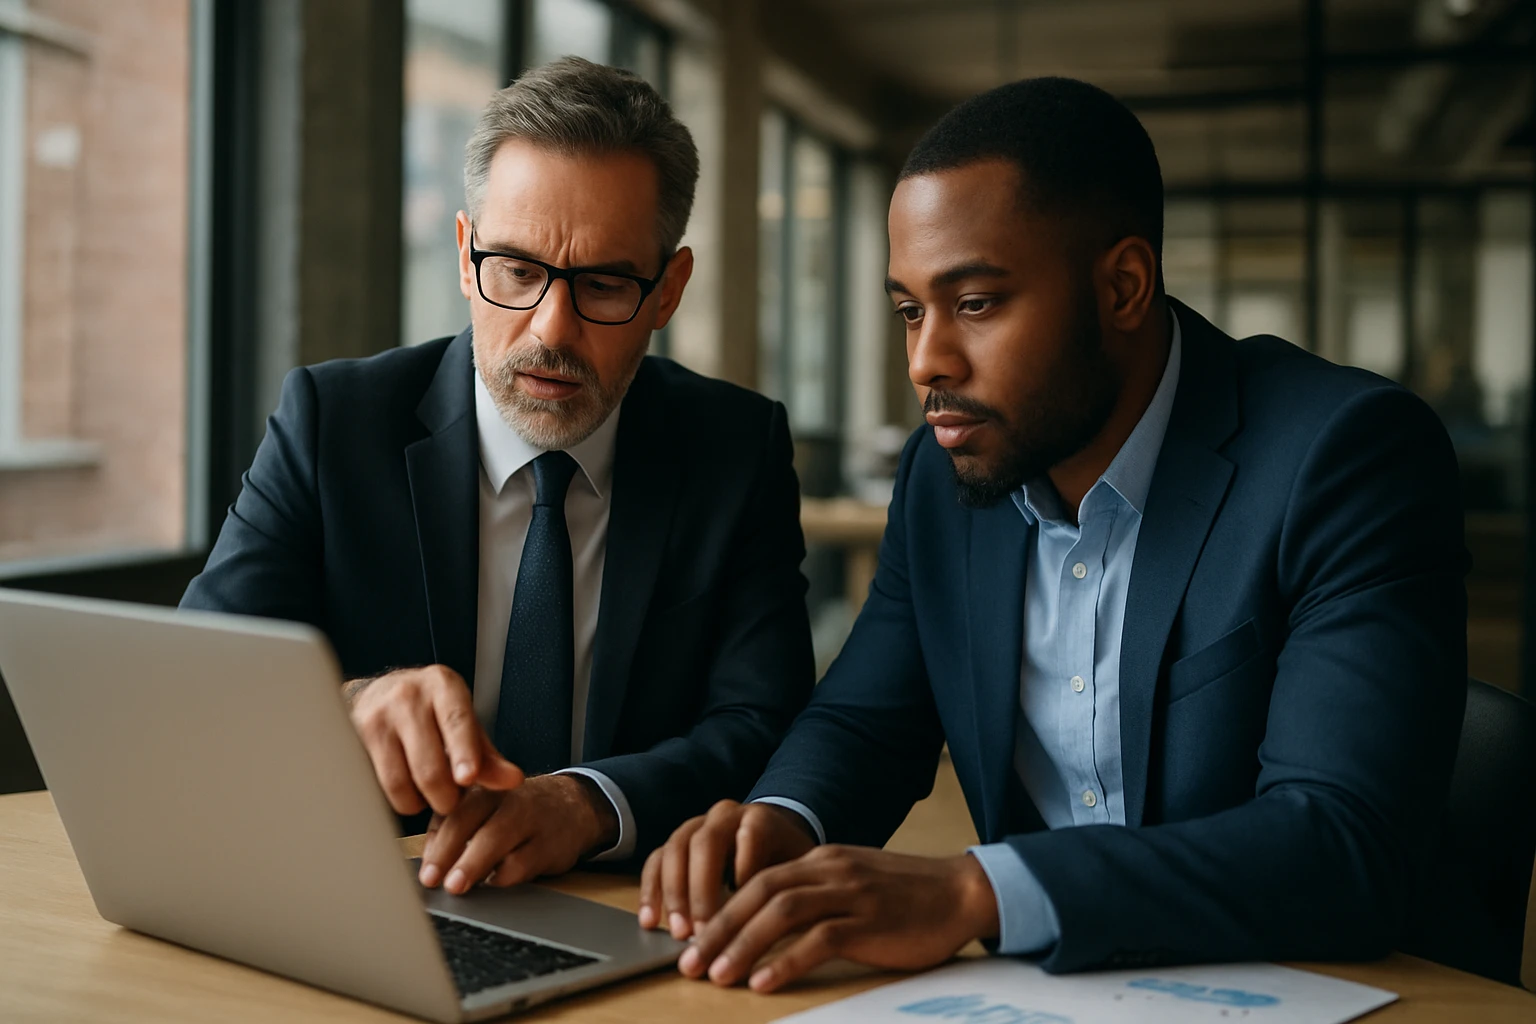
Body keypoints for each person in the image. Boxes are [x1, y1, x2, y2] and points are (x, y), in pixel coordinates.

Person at [639, 77, 1468, 993]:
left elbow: (1343, 843)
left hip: (1299, 990)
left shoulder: (1343, 456)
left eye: (976, 303)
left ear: (1122, 286)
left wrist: (977, 892)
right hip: (1045, 998)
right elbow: (866, 720)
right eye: (910, 310)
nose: (925, 362)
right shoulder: (942, 476)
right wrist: (782, 822)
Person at [182, 57, 815, 894]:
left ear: (668, 291)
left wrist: (587, 805)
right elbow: (200, 681)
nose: (550, 330)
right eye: (516, 270)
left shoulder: (735, 449)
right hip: (366, 894)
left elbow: (764, 725)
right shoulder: (333, 423)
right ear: (463, 253)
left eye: (604, 284)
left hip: (621, 903)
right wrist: (346, 706)